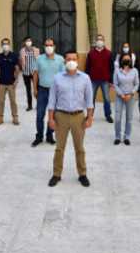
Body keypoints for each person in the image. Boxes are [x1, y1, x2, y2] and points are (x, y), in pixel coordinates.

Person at [47, 50, 94, 188]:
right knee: (59, 148)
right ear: (65, 61)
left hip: (78, 117)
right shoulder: (57, 78)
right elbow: (52, 100)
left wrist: (89, 118)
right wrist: (50, 119)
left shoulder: (85, 78)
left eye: (74, 59)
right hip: (60, 116)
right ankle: (56, 174)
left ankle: (82, 174)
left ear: (78, 61)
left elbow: (90, 101)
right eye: (68, 59)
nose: (71, 61)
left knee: (79, 148)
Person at [32, 38, 64, 147]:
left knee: (53, 115)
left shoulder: (60, 59)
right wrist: (34, 89)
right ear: (44, 46)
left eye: (51, 45)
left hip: (55, 92)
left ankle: (50, 136)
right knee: (39, 115)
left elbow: (63, 76)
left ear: (54, 46)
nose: (49, 47)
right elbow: (35, 74)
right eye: (46, 45)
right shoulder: (39, 59)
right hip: (42, 90)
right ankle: (39, 136)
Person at [85, 34, 114, 123]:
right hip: (93, 80)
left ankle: (108, 115)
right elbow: (87, 67)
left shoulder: (109, 53)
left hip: (105, 80)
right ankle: (90, 115)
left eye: (101, 39)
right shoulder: (91, 53)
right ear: (95, 41)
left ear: (104, 41)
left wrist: (111, 80)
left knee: (107, 98)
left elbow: (111, 67)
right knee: (91, 98)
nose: (99, 41)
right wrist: (86, 79)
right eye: (98, 39)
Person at [113, 54, 139, 145]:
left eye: (128, 59)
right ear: (121, 60)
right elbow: (115, 84)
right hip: (120, 96)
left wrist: (131, 93)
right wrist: (121, 94)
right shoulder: (117, 71)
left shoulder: (135, 71)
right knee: (117, 118)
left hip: (130, 97)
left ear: (131, 61)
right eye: (124, 59)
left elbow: (136, 84)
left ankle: (127, 137)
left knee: (129, 118)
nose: (126, 60)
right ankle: (117, 137)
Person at [0, 38, 21, 125]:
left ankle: (15, 117)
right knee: (1, 101)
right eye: (3, 44)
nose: (5, 45)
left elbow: (17, 68)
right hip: (2, 83)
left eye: (7, 44)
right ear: (1, 45)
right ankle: (0, 118)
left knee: (13, 101)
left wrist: (16, 80)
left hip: (11, 83)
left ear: (9, 45)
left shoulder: (14, 55)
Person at [20, 36, 39, 111]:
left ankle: (39, 104)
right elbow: (21, 60)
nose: (28, 42)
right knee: (28, 90)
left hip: (34, 72)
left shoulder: (36, 50)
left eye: (30, 40)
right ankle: (29, 105)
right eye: (27, 41)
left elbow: (38, 60)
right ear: (24, 42)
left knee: (37, 88)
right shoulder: (22, 50)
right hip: (26, 72)